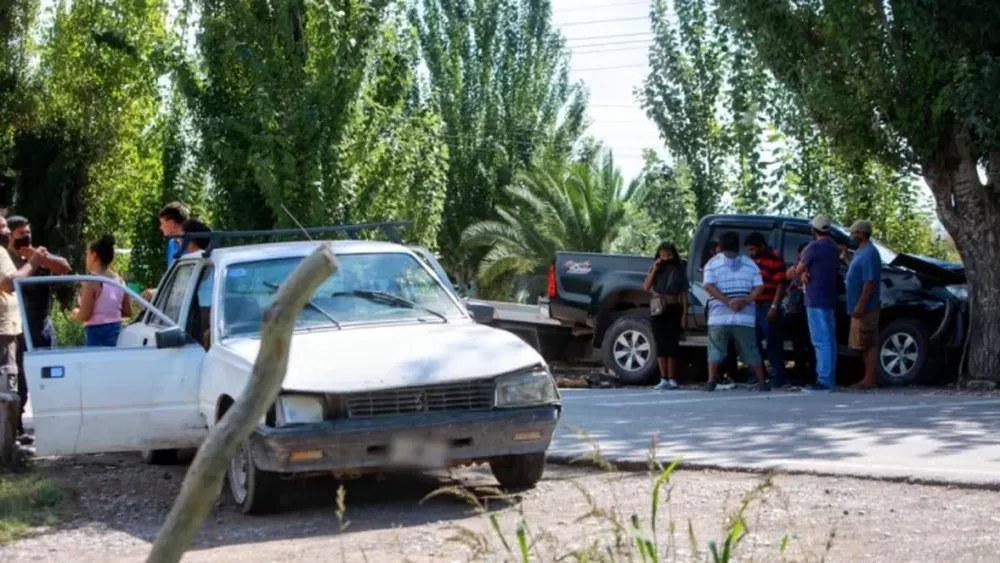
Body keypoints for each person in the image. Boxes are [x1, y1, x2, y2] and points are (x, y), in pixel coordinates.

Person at [0, 215, 48, 442]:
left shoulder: (22, 253)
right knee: (8, 385)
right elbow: (10, 283)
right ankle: (7, 444)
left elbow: (63, 266)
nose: (6, 231)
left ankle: (11, 438)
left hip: (21, 328)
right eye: (3, 226)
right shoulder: (3, 255)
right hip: (6, 332)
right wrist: (33, 262)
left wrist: (36, 258)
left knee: (17, 383)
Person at [702, 231, 770, 392]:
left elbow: (708, 285)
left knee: (715, 348)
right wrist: (745, 301)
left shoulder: (712, 263)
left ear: (721, 245)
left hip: (719, 316)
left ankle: (711, 380)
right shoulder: (750, 264)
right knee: (751, 348)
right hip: (744, 317)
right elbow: (759, 287)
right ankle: (762, 382)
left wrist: (727, 301)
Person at [6, 216, 72, 350]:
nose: (26, 237)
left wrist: (40, 259)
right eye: (21, 233)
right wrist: (31, 263)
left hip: (42, 328)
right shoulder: (5, 259)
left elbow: (64, 267)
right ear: (10, 236)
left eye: (28, 233)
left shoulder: (39, 254)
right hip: (17, 328)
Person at [793, 215, 841, 391]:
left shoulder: (813, 247)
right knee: (829, 340)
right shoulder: (834, 248)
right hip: (829, 299)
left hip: (815, 299)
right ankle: (829, 378)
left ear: (814, 230)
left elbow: (798, 269)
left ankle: (824, 380)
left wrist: (803, 272)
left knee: (821, 341)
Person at [643, 242, 689, 391]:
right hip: (658, 309)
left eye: (668, 255)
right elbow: (646, 286)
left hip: (673, 308)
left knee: (672, 345)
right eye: (662, 255)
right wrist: (655, 269)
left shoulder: (679, 270)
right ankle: (663, 378)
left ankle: (672, 378)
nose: (665, 258)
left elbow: (684, 295)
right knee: (660, 343)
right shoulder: (655, 268)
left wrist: (684, 315)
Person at [73, 234, 133, 347]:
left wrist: (75, 312)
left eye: (87, 254)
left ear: (94, 256)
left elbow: (85, 315)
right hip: (117, 334)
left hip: (96, 337)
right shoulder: (119, 281)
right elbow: (128, 311)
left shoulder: (91, 282)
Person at [744, 232, 787, 387]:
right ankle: (758, 374)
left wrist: (774, 307)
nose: (751, 253)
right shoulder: (751, 263)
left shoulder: (775, 261)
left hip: (769, 306)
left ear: (762, 246)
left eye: (753, 249)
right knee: (752, 343)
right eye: (749, 250)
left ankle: (778, 376)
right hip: (753, 307)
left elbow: (781, 286)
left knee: (773, 345)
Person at [844, 220, 881, 389]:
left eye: (854, 233)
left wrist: (861, 305)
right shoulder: (860, 252)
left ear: (861, 234)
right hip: (856, 306)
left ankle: (870, 379)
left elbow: (869, 282)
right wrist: (846, 258)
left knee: (869, 343)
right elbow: (856, 271)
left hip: (867, 308)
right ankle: (866, 377)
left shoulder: (870, 253)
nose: (851, 236)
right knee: (862, 343)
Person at [142, 217, 211, 302]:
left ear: (190, 238)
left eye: (181, 233)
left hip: (196, 309)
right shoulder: (208, 257)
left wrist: (156, 293)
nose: (177, 237)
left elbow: (180, 289)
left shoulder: (192, 261)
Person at [785, 242, 814, 384]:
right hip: (795, 310)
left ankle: (811, 373)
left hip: (809, 309)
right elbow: (787, 285)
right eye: (803, 252)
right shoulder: (794, 268)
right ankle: (799, 373)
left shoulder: (813, 267)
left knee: (811, 344)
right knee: (797, 344)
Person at [160, 201, 191, 268]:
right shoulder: (172, 243)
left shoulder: (195, 243)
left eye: (162, 223)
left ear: (172, 223)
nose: (161, 227)